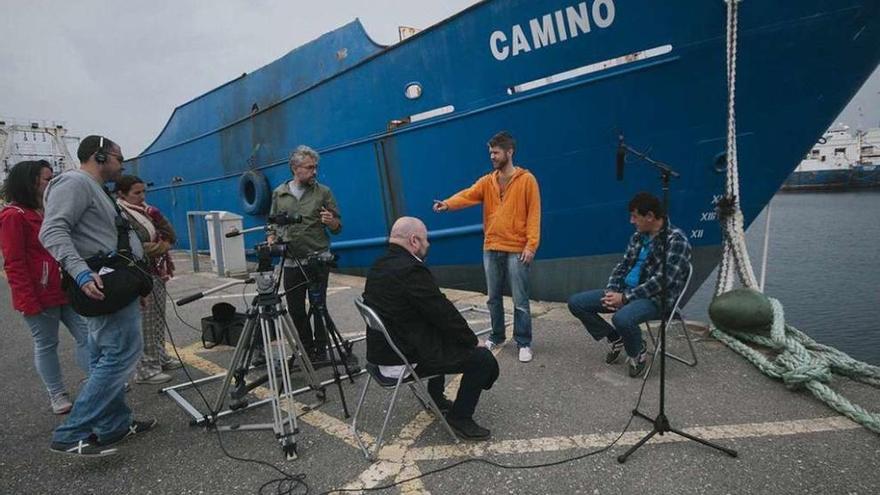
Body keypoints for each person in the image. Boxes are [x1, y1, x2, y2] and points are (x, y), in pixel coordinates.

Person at [39, 135, 156, 456]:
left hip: (116, 285)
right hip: (101, 283)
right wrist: (79, 270)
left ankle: (114, 424)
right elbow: (51, 230)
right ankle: (72, 431)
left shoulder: (94, 189)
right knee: (120, 356)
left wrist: (135, 287)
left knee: (108, 355)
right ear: (100, 156)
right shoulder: (74, 183)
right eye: (119, 158)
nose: (122, 164)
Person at [363, 216, 499, 441]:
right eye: (426, 240)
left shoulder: (379, 264)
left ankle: (436, 397)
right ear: (414, 240)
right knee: (483, 359)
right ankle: (460, 418)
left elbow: (435, 312)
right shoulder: (411, 270)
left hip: (382, 354)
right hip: (400, 361)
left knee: (443, 336)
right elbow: (443, 312)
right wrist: (473, 341)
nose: (428, 245)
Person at [433, 131, 541, 363]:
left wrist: (531, 246)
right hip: (491, 246)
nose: (492, 156)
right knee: (493, 297)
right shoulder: (487, 181)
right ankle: (497, 336)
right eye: (490, 152)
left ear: (509, 152)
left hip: (517, 248)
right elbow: (468, 194)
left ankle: (524, 342)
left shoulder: (527, 180)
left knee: (520, 300)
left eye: (496, 152)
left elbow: (534, 214)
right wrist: (448, 204)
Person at [567, 192, 692, 378]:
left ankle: (637, 352)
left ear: (649, 216)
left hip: (656, 299)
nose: (631, 221)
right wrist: (612, 291)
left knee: (622, 318)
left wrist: (625, 299)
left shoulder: (676, 241)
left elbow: (662, 281)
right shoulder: (638, 237)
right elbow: (623, 266)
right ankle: (615, 338)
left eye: (635, 216)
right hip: (625, 292)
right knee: (576, 303)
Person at [0, 160, 90, 414]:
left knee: (86, 335)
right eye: (47, 179)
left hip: (65, 288)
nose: (52, 183)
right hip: (39, 295)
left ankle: (97, 379)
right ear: (30, 182)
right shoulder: (13, 216)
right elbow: (14, 263)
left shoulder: (49, 211)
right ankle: (56, 393)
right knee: (47, 344)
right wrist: (28, 300)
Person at [267, 145, 342, 362]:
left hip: (317, 259)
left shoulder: (323, 193)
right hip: (291, 261)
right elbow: (272, 223)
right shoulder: (279, 194)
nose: (314, 172)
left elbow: (338, 227)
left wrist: (332, 221)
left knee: (319, 307)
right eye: (310, 167)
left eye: (315, 167)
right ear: (295, 168)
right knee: (296, 309)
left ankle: (321, 350)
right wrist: (271, 236)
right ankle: (306, 349)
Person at [115, 175, 181, 385]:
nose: (142, 196)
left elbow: (170, 234)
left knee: (159, 316)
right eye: (136, 193)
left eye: (143, 192)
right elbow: (137, 246)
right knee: (146, 321)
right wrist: (163, 246)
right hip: (140, 272)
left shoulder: (147, 211)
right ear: (122, 194)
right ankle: (146, 368)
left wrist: (159, 219)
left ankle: (160, 357)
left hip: (156, 270)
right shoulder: (121, 215)